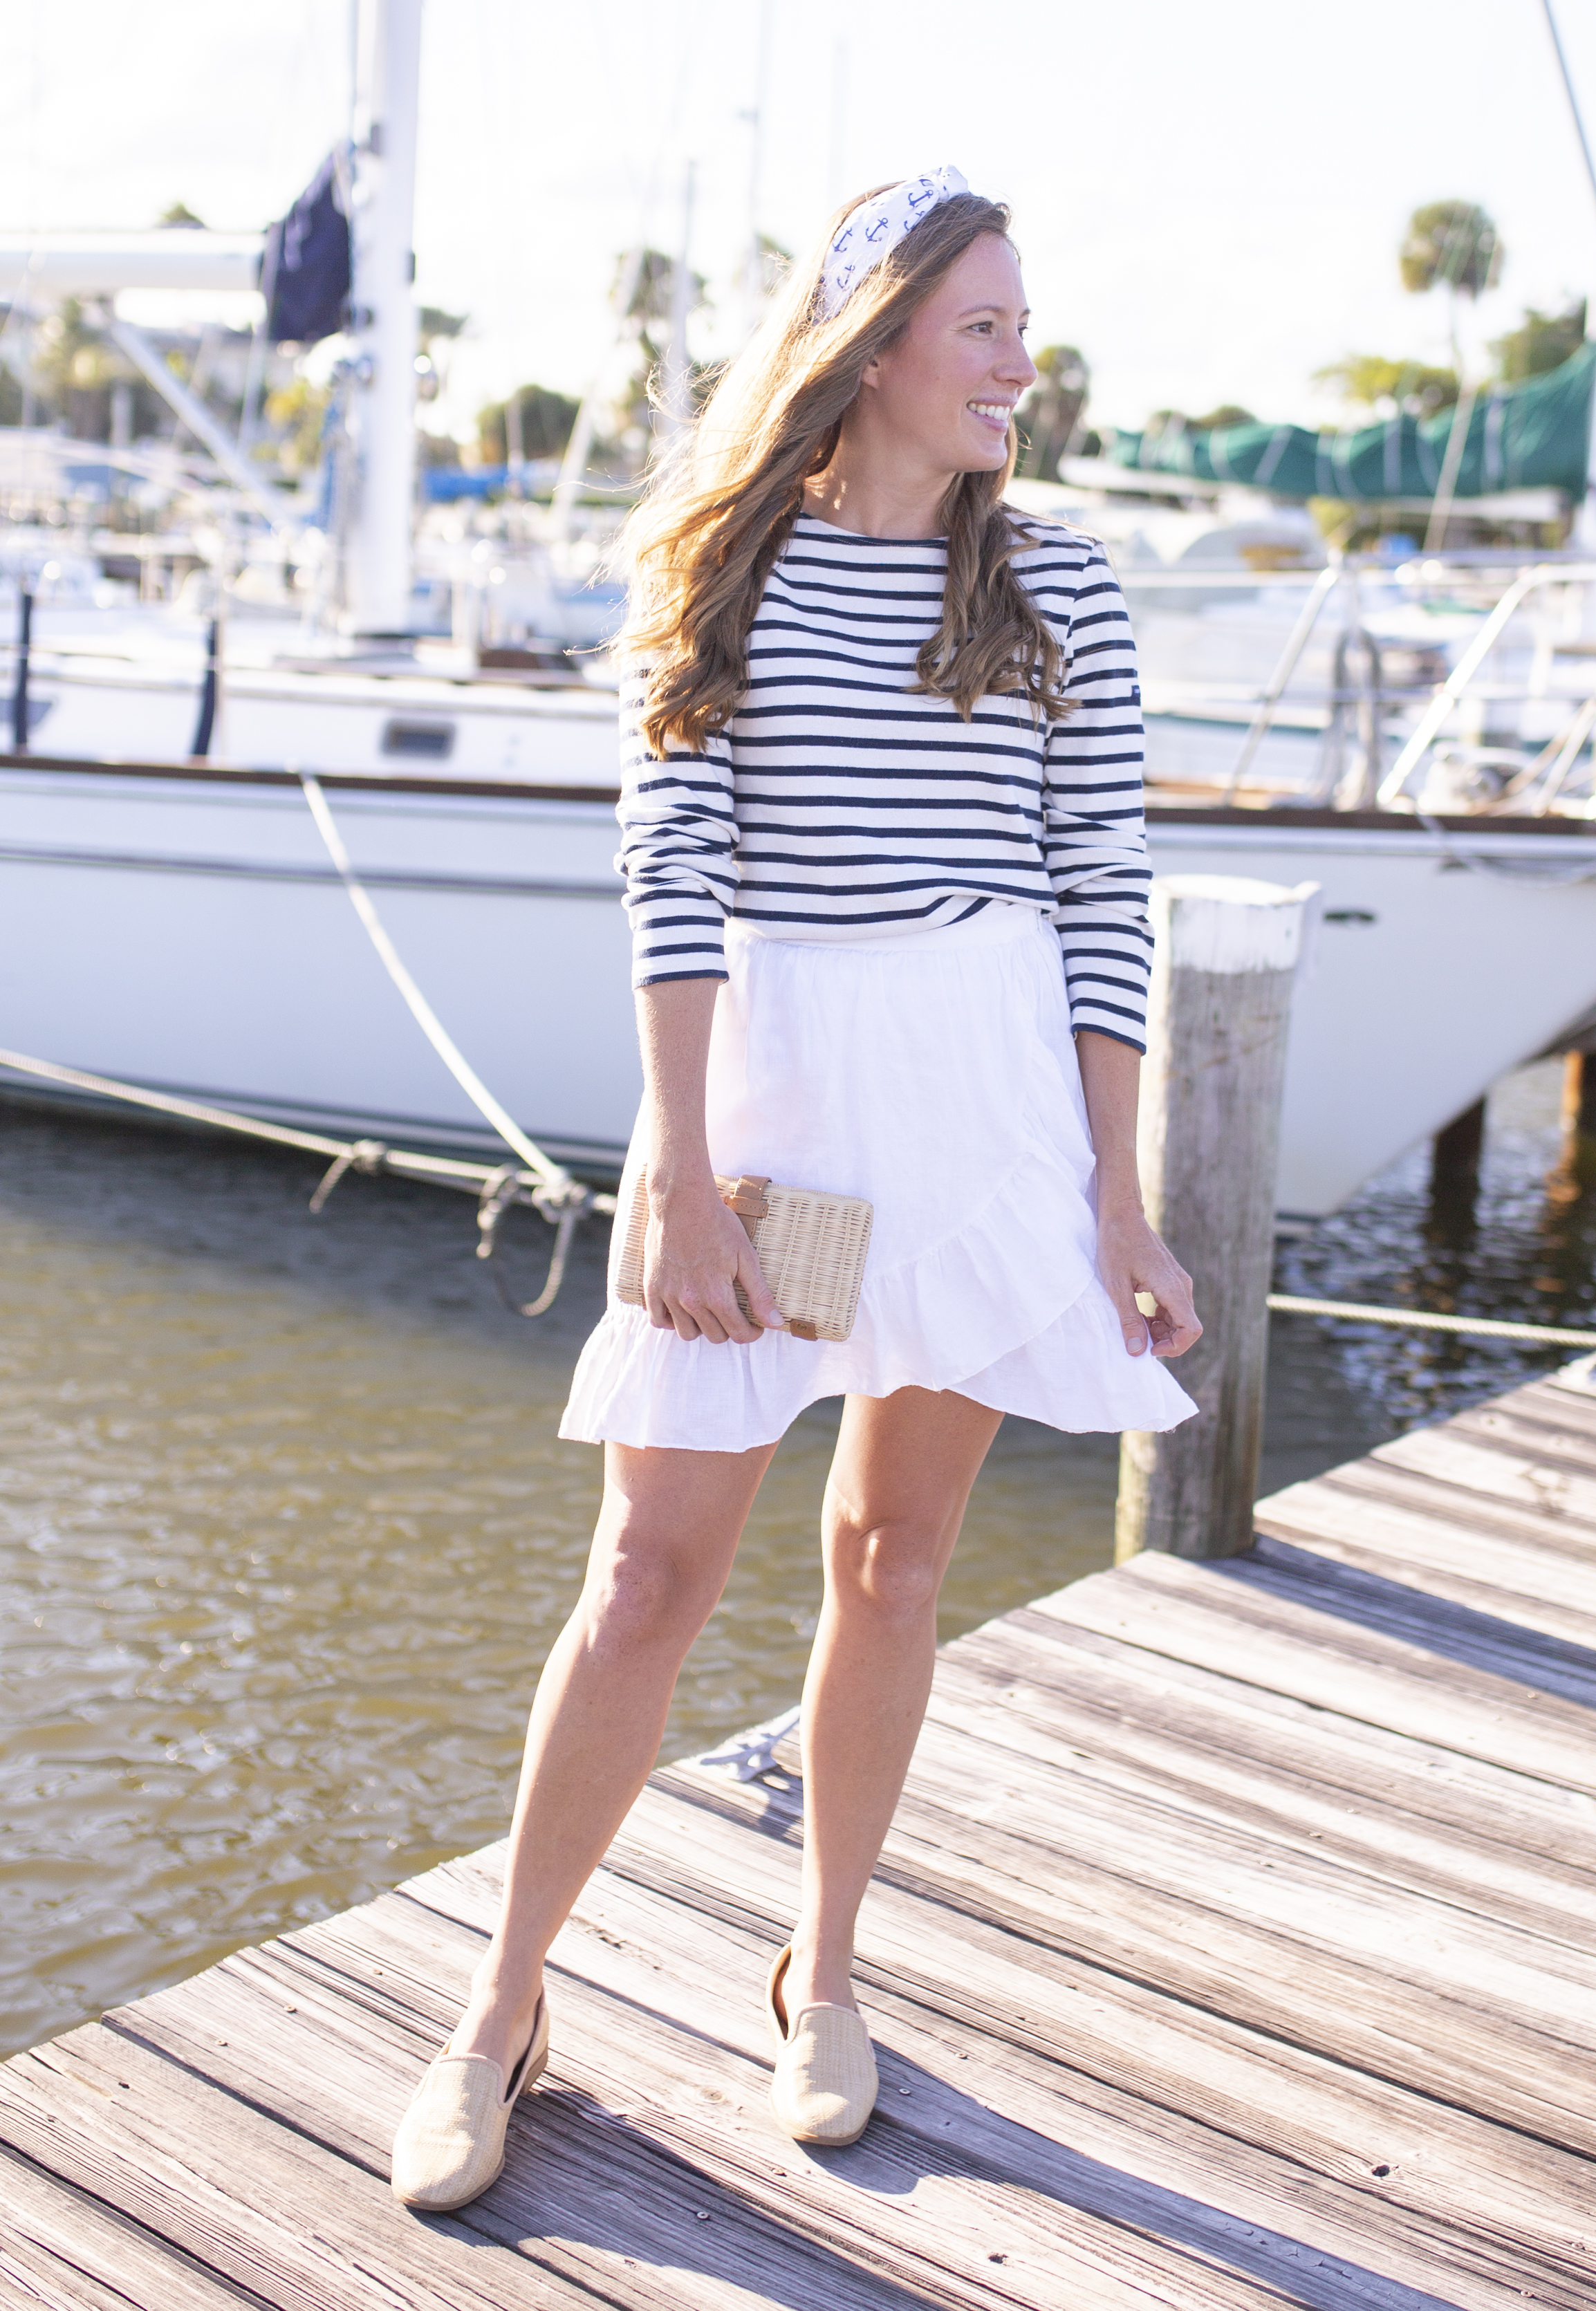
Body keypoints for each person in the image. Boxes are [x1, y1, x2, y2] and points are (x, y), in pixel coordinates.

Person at [391, 167, 1201, 2211]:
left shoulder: (1059, 587)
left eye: (1027, 326)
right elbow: (674, 864)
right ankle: (500, 2008)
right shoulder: (730, 565)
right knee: (652, 1574)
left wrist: (1115, 1199)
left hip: (981, 1116)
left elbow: (1103, 891)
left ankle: (820, 1975)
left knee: (889, 1563)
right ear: (873, 344)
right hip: (790, 1130)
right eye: (987, 328)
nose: (1024, 362)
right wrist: (675, 1160)